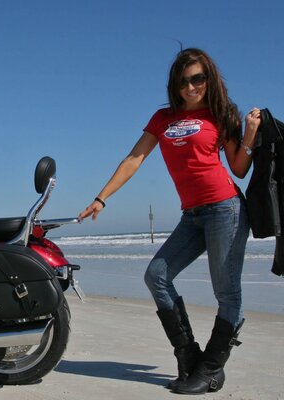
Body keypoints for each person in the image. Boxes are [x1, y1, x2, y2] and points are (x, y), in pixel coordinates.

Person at [78, 48, 261, 395]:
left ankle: (211, 368)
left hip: (226, 209)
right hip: (191, 214)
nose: (191, 87)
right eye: (183, 81)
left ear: (209, 80)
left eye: (198, 79)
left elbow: (238, 167)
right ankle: (188, 355)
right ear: (174, 85)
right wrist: (102, 197)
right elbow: (134, 158)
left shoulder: (221, 114)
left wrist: (249, 135)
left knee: (226, 291)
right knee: (156, 276)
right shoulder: (163, 119)